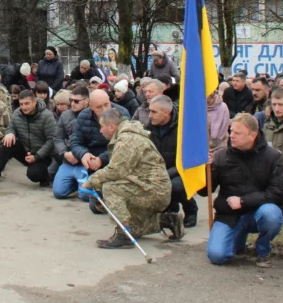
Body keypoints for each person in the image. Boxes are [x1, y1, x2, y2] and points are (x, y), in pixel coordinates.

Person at [204, 113, 283, 268]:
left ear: (252, 135)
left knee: (271, 214)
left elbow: (278, 193)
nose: (231, 136)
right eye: (231, 131)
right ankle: (238, 242)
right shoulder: (221, 156)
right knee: (217, 256)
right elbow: (204, 192)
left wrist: (243, 201)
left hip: (258, 212)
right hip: (229, 215)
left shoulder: (272, 156)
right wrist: (206, 170)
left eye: (237, 133)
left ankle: (262, 250)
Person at [83, 110, 171, 248]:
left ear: (112, 126)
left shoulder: (128, 140)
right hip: (147, 185)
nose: (100, 131)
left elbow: (116, 170)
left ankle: (123, 235)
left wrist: (91, 181)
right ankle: (166, 221)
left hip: (153, 190)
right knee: (133, 229)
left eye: (102, 126)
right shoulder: (127, 135)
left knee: (110, 188)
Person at [0, 88, 55, 192]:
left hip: (43, 155)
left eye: (27, 104)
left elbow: (51, 140)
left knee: (34, 174)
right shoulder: (17, 113)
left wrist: (37, 156)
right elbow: (11, 127)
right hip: (26, 151)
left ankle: (45, 178)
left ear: (34, 102)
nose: (24, 107)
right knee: (7, 143)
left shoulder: (47, 116)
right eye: (21, 104)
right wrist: (10, 133)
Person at [145, 95, 197, 235]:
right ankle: (170, 207)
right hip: (158, 170)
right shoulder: (149, 128)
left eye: (154, 112)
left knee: (176, 186)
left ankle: (191, 209)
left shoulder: (183, 128)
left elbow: (188, 159)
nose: (150, 115)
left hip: (182, 170)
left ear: (166, 112)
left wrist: (167, 174)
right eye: (149, 111)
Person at [64, 89, 129, 199]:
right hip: (91, 161)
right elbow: (75, 142)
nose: (104, 110)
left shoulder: (122, 114)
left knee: (90, 198)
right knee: (62, 191)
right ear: (91, 106)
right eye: (99, 107)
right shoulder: (83, 116)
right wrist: (83, 154)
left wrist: (101, 159)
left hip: (114, 161)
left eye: (106, 104)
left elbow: (124, 145)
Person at [51, 85, 87, 186]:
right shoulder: (65, 115)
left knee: (85, 195)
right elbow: (58, 138)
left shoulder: (91, 115)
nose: (72, 104)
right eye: (71, 100)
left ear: (86, 101)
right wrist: (65, 153)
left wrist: (82, 155)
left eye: (76, 101)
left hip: (85, 158)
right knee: (58, 190)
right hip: (67, 156)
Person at [207, 86, 230, 154]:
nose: (206, 102)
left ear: (213, 98)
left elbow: (225, 125)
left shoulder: (223, 107)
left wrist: (216, 140)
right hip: (204, 145)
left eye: (208, 101)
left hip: (221, 144)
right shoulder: (200, 107)